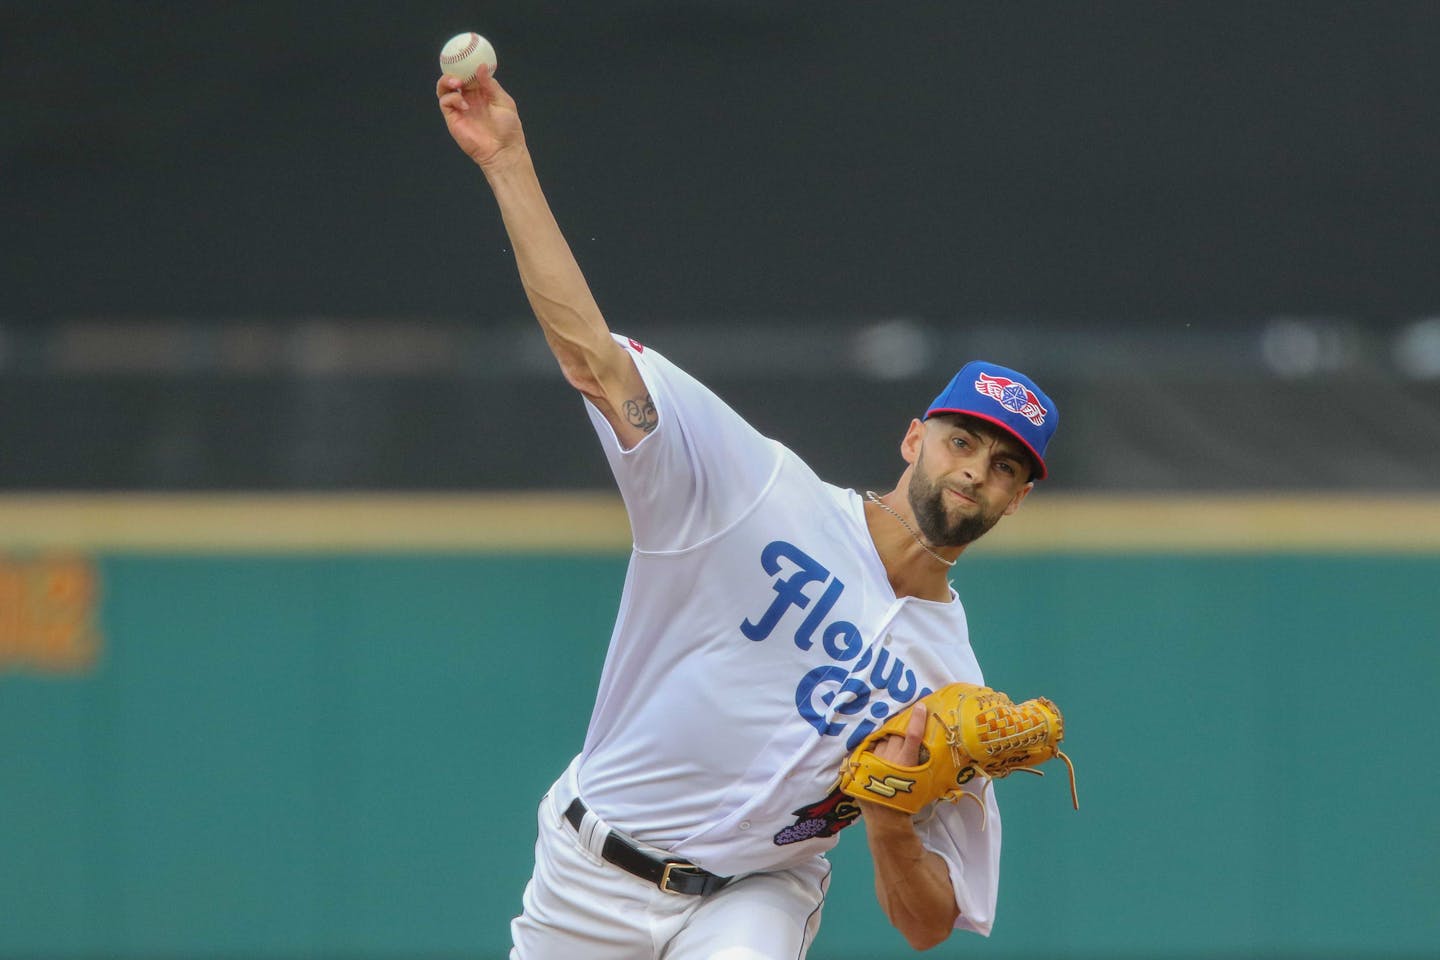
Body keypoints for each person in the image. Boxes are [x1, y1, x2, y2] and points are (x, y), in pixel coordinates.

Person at [436, 66, 1059, 959]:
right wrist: (507, 160)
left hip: (756, 896)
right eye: (963, 442)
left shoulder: (950, 688)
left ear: (1017, 498)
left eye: (1003, 466)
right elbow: (597, 364)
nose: (974, 473)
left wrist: (889, 825)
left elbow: (930, 925)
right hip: (587, 870)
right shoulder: (757, 492)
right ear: (914, 438)